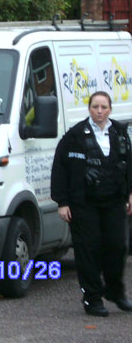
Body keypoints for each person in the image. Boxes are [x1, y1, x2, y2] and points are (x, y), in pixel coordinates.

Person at [51, 91, 132, 317]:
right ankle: (92, 299)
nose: (99, 111)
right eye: (95, 106)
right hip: (84, 204)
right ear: (89, 108)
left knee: (117, 248)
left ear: (110, 109)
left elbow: (129, 164)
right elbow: (60, 169)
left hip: (114, 201)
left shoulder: (120, 132)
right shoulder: (74, 136)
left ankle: (116, 292)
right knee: (89, 251)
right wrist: (62, 202)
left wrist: (130, 192)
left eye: (103, 107)